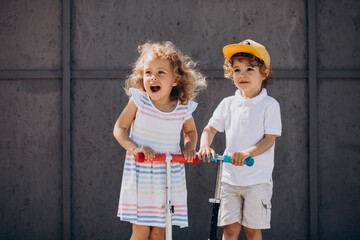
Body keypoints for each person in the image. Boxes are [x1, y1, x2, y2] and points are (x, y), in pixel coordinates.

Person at [113, 41, 206, 240]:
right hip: (142, 176)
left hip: (168, 176)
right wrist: (135, 148)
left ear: (175, 80)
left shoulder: (182, 107)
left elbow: (190, 132)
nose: (153, 77)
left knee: (159, 233)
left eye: (161, 72)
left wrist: (189, 148)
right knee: (141, 232)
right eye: (148, 72)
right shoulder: (139, 101)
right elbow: (119, 129)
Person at [198, 39, 282, 240]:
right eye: (237, 70)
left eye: (250, 69)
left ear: (264, 73)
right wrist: (204, 146)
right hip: (229, 180)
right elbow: (209, 129)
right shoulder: (229, 103)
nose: (242, 75)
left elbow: (269, 139)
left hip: (257, 181)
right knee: (230, 229)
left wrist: (246, 153)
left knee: (252, 230)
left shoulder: (269, 105)